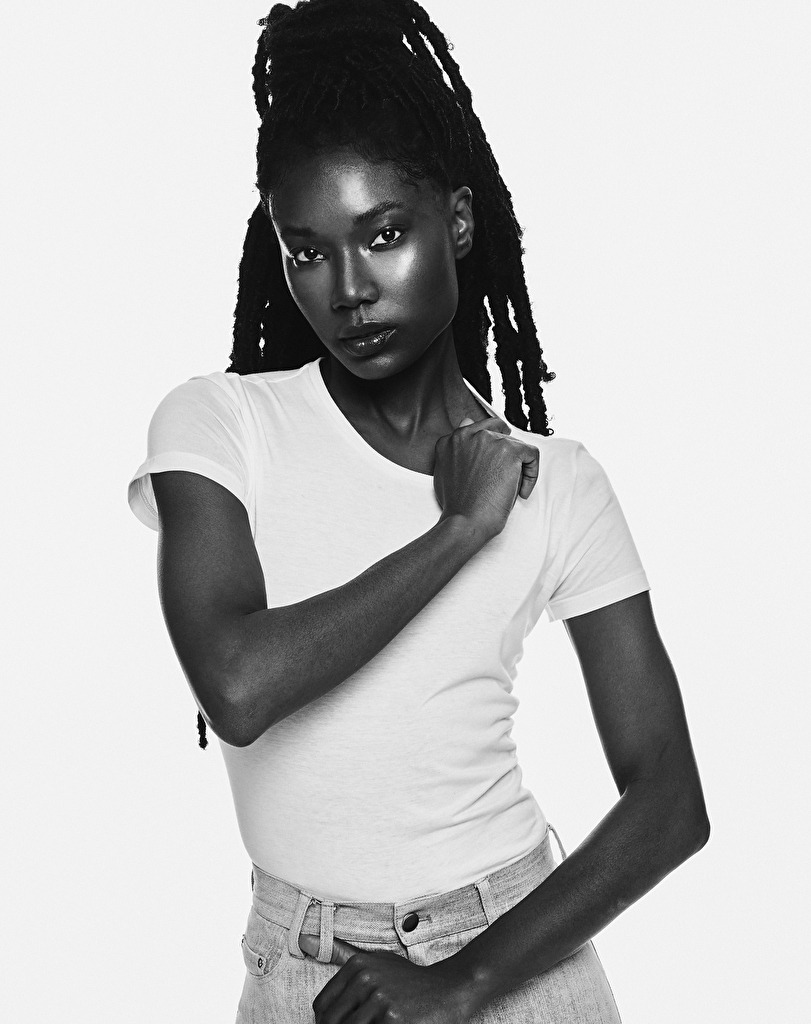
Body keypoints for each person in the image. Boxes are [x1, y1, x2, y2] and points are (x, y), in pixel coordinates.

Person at [127, 1, 710, 1020]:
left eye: (384, 234)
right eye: (308, 251)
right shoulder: (221, 425)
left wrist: (461, 980)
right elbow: (238, 686)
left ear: (460, 222)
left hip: (516, 955)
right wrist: (459, 531)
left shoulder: (558, 480)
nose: (349, 289)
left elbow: (669, 799)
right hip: (305, 971)